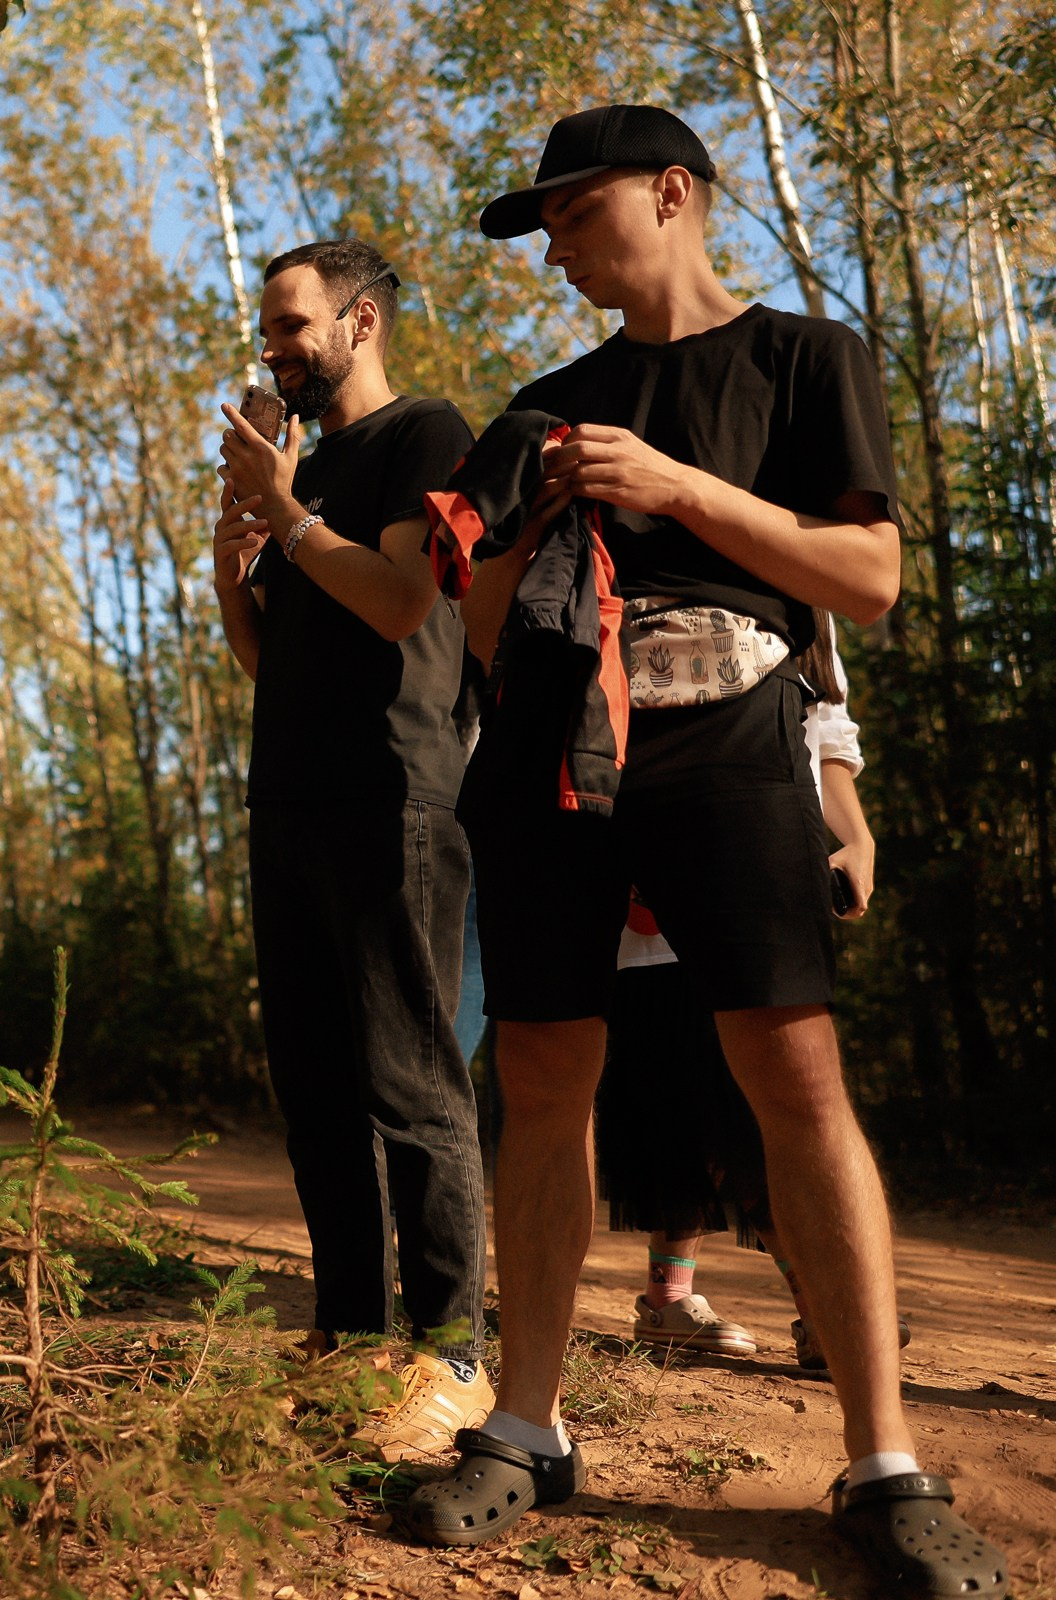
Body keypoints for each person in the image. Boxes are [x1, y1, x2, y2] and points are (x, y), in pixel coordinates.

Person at [403, 105, 1009, 1600]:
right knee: (542, 1078)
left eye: (569, 209)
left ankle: (884, 1470)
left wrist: (680, 493)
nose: (550, 242)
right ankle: (526, 1429)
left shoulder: (809, 361)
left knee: (794, 1073)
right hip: (557, 741)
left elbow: (864, 583)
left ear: (672, 193)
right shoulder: (541, 405)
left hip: (736, 720)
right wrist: (520, 538)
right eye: (536, 221)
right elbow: (474, 633)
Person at [212, 239, 491, 1460]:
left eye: (292, 326)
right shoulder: (309, 467)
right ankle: (348, 1339)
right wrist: (236, 573)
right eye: (269, 331)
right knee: (316, 1089)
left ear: (362, 320)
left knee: (412, 1082)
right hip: (293, 801)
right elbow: (281, 663)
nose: (275, 350)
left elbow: (399, 602)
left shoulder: (429, 436)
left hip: (398, 799)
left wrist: (289, 514)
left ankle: (455, 1355)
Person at [603, 627, 899, 1366]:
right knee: (679, 1081)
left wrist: (854, 836)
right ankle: (679, 1300)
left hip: (765, 846)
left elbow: (825, 716)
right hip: (645, 842)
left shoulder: (796, 563)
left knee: (767, 1090)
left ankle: (819, 1303)